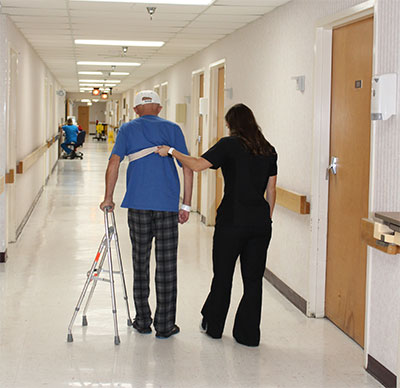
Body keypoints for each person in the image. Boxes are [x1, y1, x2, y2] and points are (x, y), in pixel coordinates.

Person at [156, 103, 277, 347]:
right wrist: (267, 218)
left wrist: (171, 152)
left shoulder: (230, 144)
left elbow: (199, 165)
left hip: (232, 222)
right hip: (260, 224)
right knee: (253, 281)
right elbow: (271, 189)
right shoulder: (268, 149)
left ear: (232, 124)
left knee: (223, 276)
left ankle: (214, 327)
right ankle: (248, 336)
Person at [100, 90, 193, 339]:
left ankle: (142, 321)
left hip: (138, 206)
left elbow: (113, 164)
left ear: (136, 110)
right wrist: (186, 205)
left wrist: (108, 197)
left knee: (140, 263)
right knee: (166, 266)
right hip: (166, 207)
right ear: (160, 108)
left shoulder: (127, 129)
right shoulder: (173, 129)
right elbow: (188, 167)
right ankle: (164, 325)